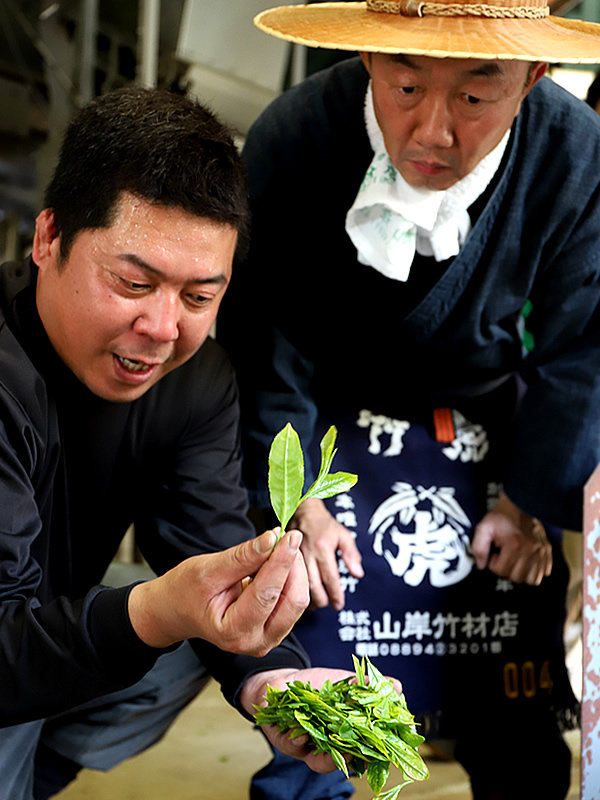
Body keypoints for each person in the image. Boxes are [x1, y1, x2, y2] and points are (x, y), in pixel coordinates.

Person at [216, 2, 600, 799]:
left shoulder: (576, 155)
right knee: (318, 662)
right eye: (406, 85)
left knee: (511, 684)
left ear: (533, 78)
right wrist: (297, 501)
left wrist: (528, 502)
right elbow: (267, 335)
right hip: (324, 417)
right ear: (366, 57)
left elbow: (582, 343)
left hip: (490, 419)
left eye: (473, 95)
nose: (432, 131)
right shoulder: (295, 136)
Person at [0, 85, 368, 800]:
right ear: (48, 240)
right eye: (134, 282)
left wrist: (275, 677)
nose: (164, 329)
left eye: (199, 297)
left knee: (193, 642)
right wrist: (157, 611)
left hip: (45, 623)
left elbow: (207, 543)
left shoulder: (197, 381)